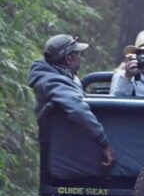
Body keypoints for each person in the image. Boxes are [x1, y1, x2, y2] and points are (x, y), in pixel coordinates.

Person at [27, 34, 115, 167]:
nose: (80, 58)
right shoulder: (54, 82)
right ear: (69, 58)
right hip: (63, 150)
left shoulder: (60, 77)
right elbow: (77, 109)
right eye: (78, 54)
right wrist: (104, 142)